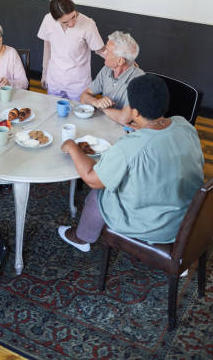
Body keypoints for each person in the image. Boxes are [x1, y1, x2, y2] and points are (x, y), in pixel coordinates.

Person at [58, 74, 204, 252]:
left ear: (134, 112)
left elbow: (92, 179)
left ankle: (81, 238)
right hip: (188, 216)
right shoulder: (185, 125)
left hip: (155, 226)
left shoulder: (129, 146)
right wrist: (145, 128)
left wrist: (73, 147)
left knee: (100, 194)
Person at [37, 0, 104, 101]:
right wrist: (44, 73)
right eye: (65, 22)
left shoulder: (88, 24)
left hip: (78, 83)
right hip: (54, 79)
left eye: (73, 16)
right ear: (55, 19)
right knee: (54, 112)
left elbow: (101, 50)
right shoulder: (48, 20)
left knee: (79, 115)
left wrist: (124, 61)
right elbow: (47, 46)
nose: (72, 23)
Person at [80, 30, 144, 125]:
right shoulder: (107, 69)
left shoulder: (139, 81)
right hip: (105, 124)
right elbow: (83, 96)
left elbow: (124, 119)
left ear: (120, 61)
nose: (104, 53)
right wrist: (96, 102)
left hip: (126, 132)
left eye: (108, 52)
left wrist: (102, 107)